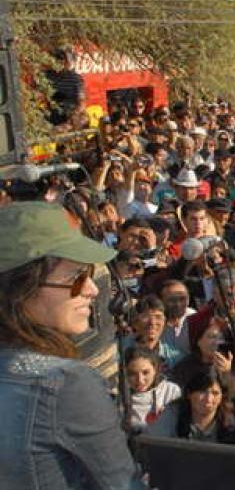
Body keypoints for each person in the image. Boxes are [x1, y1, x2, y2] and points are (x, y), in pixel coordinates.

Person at [0, 201, 144, 489]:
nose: (92, 290)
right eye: (76, 277)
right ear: (23, 288)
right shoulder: (66, 383)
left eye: (90, 274)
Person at [125, 347, 182, 433]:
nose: (140, 380)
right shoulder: (122, 399)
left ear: (155, 370)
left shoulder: (171, 391)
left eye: (145, 372)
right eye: (132, 374)